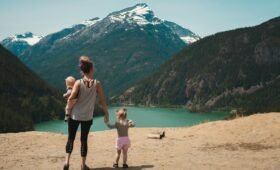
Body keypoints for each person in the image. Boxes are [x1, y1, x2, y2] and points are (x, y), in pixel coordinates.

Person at [63, 56, 109, 170]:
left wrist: (69, 102)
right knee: (84, 140)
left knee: (71, 138)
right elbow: (102, 100)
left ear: (82, 70)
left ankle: (66, 162)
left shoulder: (78, 83)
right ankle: (83, 165)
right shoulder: (97, 83)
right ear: (91, 69)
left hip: (75, 115)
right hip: (87, 117)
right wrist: (106, 113)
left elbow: (71, 97)